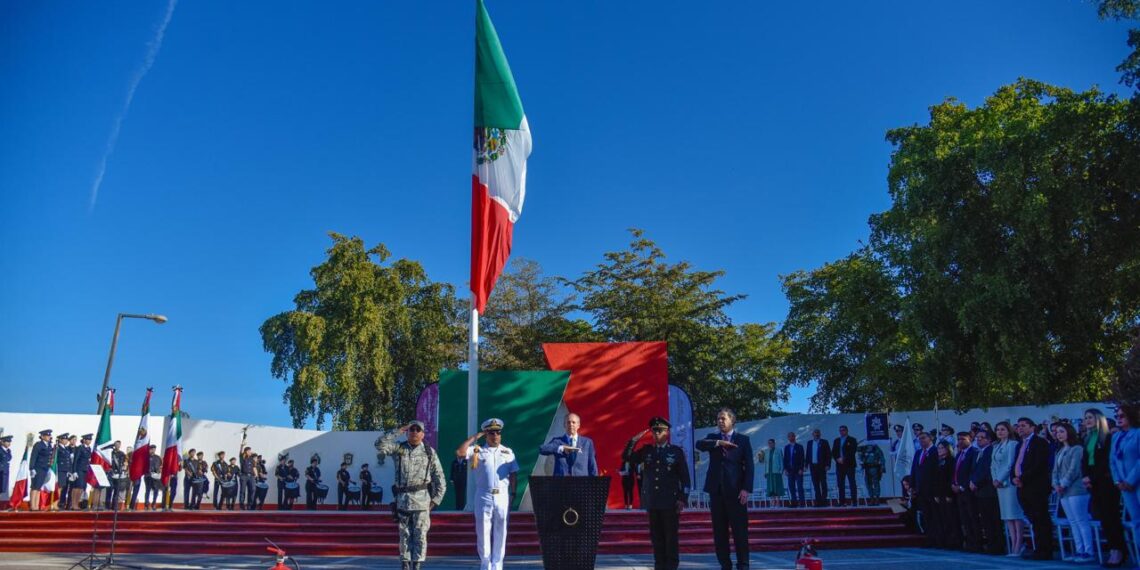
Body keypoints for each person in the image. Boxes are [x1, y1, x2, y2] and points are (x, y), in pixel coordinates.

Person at [623, 416, 690, 570]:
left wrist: (682, 498)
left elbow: (685, 478)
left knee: (670, 538)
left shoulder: (675, 452)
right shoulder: (647, 451)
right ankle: (659, 566)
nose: (656, 434)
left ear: (667, 432)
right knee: (657, 538)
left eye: (659, 431)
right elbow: (626, 457)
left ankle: (671, 566)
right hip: (653, 501)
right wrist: (633, 441)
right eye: (654, 431)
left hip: (670, 502)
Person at [382, 420, 446, 570]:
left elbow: (440, 479)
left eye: (418, 430)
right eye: (411, 429)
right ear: (407, 432)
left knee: (420, 536)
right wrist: (399, 430)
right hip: (402, 500)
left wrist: (435, 501)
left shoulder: (429, 452)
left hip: (422, 501)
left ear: (423, 434)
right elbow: (380, 444)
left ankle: (417, 565)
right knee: (404, 535)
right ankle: (405, 564)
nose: (414, 432)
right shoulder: (399, 449)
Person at [696, 408, 753, 570]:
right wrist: (719, 443)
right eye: (718, 419)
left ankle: (743, 565)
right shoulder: (712, 438)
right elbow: (699, 445)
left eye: (723, 418)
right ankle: (725, 566)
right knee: (720, 533)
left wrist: (746, 489)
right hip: (716, 492)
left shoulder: (743, 440)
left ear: (732, 421)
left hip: (736, 493)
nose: (720, 421)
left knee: (740, 532)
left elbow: (749, 466)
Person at [458, 418, 517, 570]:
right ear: (486, 435)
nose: (495, 435)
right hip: (483, 495)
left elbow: (513, 473)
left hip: (502, 495)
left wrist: (513, 493)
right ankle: (486, 565)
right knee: (483, 531)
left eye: (498, 432)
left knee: (501, 530)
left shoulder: (508, 452)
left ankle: (498, 565)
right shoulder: (477, 450)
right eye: (491, 433)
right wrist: (476, 436)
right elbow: (460, 452)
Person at [1082, 408, 1125, 566]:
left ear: (1099, 419)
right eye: (1086, 418)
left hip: (1106, 482)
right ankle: (1112, 549)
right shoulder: (1087, 438)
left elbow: (1105, 462)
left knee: (1111, 517)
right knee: (1103, 519)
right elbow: (1085, 460)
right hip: (1093, 483)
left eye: (1090, 417)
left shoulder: (1107, 438)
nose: (1087, 420)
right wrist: (1085, 476)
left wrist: (1092, 477)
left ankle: (1118, 550)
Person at [1051, 421, 1094, 563]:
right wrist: (1056, 484)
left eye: (1062, 431)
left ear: (1069, 432)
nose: (1059, 434)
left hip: (1076, 489)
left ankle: (1088, 551)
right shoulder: (1059, 451)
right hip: (1063, 492)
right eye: (1057, 432)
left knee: (1081, 520)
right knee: (1073, 521)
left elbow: (1074, 469)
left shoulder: (1077, 449)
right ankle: (1079, 549)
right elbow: (1055, 471)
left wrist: (1063, 483)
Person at [1012, 416, 1053, 560]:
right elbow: (1017, 463)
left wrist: (1022, 478)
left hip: (1035, 487)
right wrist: (1014, 477)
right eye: (1018, 426)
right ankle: (1038, 548)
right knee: (1033, 519)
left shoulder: (1040, 442)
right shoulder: (1019, 444)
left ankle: (1045, 549)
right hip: (1022, 487)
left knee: (1041, 518)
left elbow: (1039, 465)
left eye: (1024, 425)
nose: (1020, 428)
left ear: (1032, 427)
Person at [969, 429, 1004, 555]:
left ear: (989, 440)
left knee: (993, 519)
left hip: (989, 490)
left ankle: (997, 545)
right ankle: (991, 544)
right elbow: (974, 470)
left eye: (982, 437)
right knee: (986, 520)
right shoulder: (978, 452)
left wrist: (976, 482)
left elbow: (987, 470)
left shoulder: (990, 451)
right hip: (980, 491)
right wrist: (972, 481)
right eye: (977, 437)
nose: (978, 439)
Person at [1111, 405, 1140, 555]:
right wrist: (1118, 481)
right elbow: (1113, 460)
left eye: (1122, 416)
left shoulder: (1138, 434)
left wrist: (1130, 480)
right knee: (1136, 522)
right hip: (1124, 485)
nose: (1119, 419)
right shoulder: (1116, 437)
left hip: (1136, 482)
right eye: (1117, 416)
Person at [950, 432, 978, 551]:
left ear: (970, 439)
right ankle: (969, 542)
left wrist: (962, 486)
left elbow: (973, 471)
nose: (960, 441)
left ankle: (977, 543)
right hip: (958, 492)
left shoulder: (974, 453)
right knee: (964, 519)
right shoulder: (959, 454)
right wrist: (953, 484)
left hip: (968, 491)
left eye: (963, 439)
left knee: (973, 518)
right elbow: (955, 471)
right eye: (958, 439)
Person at [910, 431, 937, 546]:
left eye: (923, 438)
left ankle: (937, 538)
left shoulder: (935, 451)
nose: (921, 441)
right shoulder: (918, 453)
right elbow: (914, 470)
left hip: (932, 490)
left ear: (930, 438)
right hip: (920, 490)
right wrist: (912, 486)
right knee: (925, 515)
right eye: (919, 439)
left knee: (934, 516)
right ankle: (928, 538)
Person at [831, 426, 857, 506]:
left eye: (843, 430)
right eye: (840, 430)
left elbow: (852, 451)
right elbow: (833, 452)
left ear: (847, 431)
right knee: (840, 484)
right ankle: (842, 502)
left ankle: (854, 501)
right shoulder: (837, 440)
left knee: (852, 483)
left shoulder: (852, 440)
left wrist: (844, 458)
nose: (842, 432)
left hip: (849, 464)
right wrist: (837, 459)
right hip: (839, 465)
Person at [805, 428, 830, 507]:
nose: (817, 434)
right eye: (815, 433)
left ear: (820, 434)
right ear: (812, 434)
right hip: (813, 466)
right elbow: (808, 455)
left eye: (818, 432)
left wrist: (828, 465)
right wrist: (806, 465)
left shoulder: (824, 442)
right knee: (815, 484)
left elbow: (828, 454)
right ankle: (818, 501)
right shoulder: (809, 443)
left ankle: (824, 500)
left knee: (823, 483)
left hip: (822, 466)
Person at [29, 429, 53, 511]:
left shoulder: (49, 445)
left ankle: (36, 505)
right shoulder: (38, 445)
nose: (49, 437)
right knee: (35, 487)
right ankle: (33, 505)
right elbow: (33, 456)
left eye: (49, 435)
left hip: (44, 468)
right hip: (37, 468)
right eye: (47, 435)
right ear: (42, 437)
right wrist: (31, 468)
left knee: (39, 487)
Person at [857, 440, 884, 505]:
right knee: (868, 483)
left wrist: (882, 467)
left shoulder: (876, 448)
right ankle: (871, 498)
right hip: (866, 468)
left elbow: (882, 457)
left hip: (874, 467)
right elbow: (860, 456)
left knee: (876, 483)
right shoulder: (864, 448)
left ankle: (877, 499)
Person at [783, 432, 805, 508]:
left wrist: (801, 469)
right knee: (791, 487)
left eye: (792, 436)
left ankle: (802, 503)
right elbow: (785, 459)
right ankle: (794, 503)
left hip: (798, 470)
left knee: (799, 487)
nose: (791, 437)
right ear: (788, 438)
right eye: (789, 436)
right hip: (790, 470)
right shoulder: (786, 447)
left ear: (795, 437)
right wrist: (785, 469)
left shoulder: (799, 447)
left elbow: (802, 458)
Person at [71, 434, 93, 511]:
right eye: (88, 439)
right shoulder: (80, 448)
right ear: (84, 440)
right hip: (79, 470)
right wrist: (74, 471)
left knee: (81, 488)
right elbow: (76, 460)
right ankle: (74, 504)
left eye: (90, 440)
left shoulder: (89, 448)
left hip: (85, 470)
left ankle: (76, 504)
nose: (89, 441)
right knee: (77, 488)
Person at [144, 445, 162, 510]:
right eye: (151, 449)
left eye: (154, 449)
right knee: (148, 490)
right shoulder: (146, 457)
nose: (153, 450)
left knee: (156, 490)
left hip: (156, 476)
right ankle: (146, 504)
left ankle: (154, 503)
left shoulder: (158, 457)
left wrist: (160, 471)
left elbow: (160, 466)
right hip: (148, 476)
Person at [0, 435, 13, 502]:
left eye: (9, 442)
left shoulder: (8, 451)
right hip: (0, 471)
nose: (9, 443)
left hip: (5, 471)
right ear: (2, 442)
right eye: (7, 442)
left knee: (3, 488)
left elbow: (8, 458)